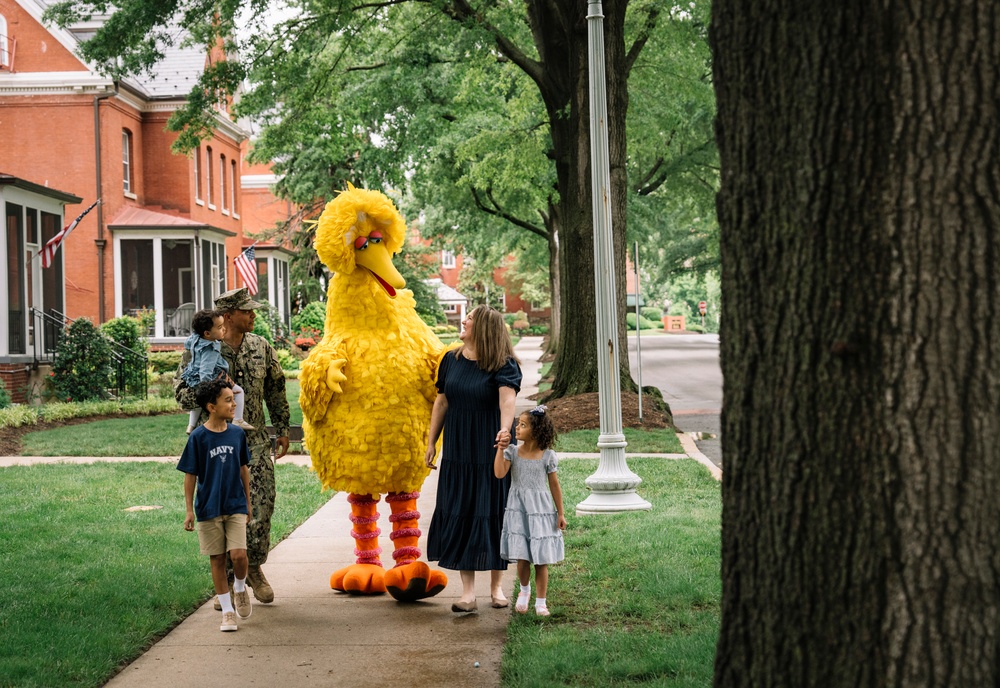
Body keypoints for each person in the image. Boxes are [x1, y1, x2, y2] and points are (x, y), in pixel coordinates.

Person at [174, 287, 290, 605]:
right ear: (228, 316)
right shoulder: (201, 349)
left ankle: (252, 568)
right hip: (216, 447)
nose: (253, 315)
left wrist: (281, 428)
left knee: (261, 508)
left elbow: (276, 389)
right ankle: (226, 581)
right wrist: (206, 389)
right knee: (222, 514)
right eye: (247, 311)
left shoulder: (260, 346)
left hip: (252, 441)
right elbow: (181, 393)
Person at [424, 304, 521, 612]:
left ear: (484, 330)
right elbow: (441, 402)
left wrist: (505, 432)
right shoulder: (451, 360)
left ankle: (496, 589)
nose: (463, 322)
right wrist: (431, 443)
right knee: (461, 509)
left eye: (469, 320)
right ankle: (467, 593)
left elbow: (508, 399)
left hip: (491, 447)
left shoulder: (503, 364)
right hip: (459, 448)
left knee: (492, 512)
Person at [178, 377, 254, 632]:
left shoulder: (236, 434)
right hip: (209, 507)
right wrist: (189, 509)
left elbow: (244, 469)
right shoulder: (199, 438)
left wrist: (248, 502)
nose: (234, 404)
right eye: (228, 400)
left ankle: (240, 588)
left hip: (235, 504)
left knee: (239, 555)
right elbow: (190, 475)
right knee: (218, 559)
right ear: (211, 407)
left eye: (233, 399)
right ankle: (228, 611)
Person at [494, 405, 566, 617]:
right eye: (518, 424)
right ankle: (524, 591)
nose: (517, 428)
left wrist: (560, 513)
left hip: (541, 511)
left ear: (536, 430)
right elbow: (499, 474)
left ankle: (541, 602)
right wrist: (500, 448)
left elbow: (554, 485)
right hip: (518, 509)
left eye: (522, 425)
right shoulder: (512, 452)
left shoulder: (547, 456)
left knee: (541, 559)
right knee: (522, 556)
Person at [182, 309, 254, 434]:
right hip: (213, 377)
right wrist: (207, 389)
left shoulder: (195, 339)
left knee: (198, 403)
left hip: (192, 375)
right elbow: (206, 370)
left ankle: (191, 425)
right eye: (220, 327)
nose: (224, 329)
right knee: (238, 391)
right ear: (207, 333)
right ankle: (238, 419)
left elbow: (187, 343)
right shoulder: (211, 348)